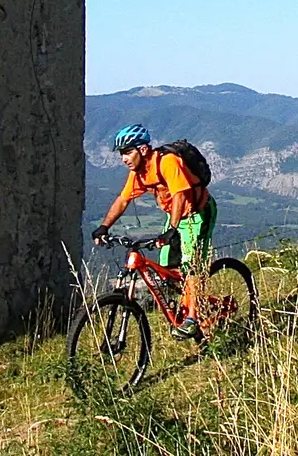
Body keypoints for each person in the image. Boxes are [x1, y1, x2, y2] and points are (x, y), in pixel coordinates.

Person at [93, 124, 217, 338]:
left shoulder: (167, 162)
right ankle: (189, 301)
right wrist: (104, 227)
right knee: (167, 267)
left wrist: (172, 230)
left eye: (127, 152)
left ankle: (192, 319)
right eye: (121, 154)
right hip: (176, 216)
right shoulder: (139, 173)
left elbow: (179, 195)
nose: (123, 158)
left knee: (190, 267)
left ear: (142, 150)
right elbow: (123, 200)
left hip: (197, 213)